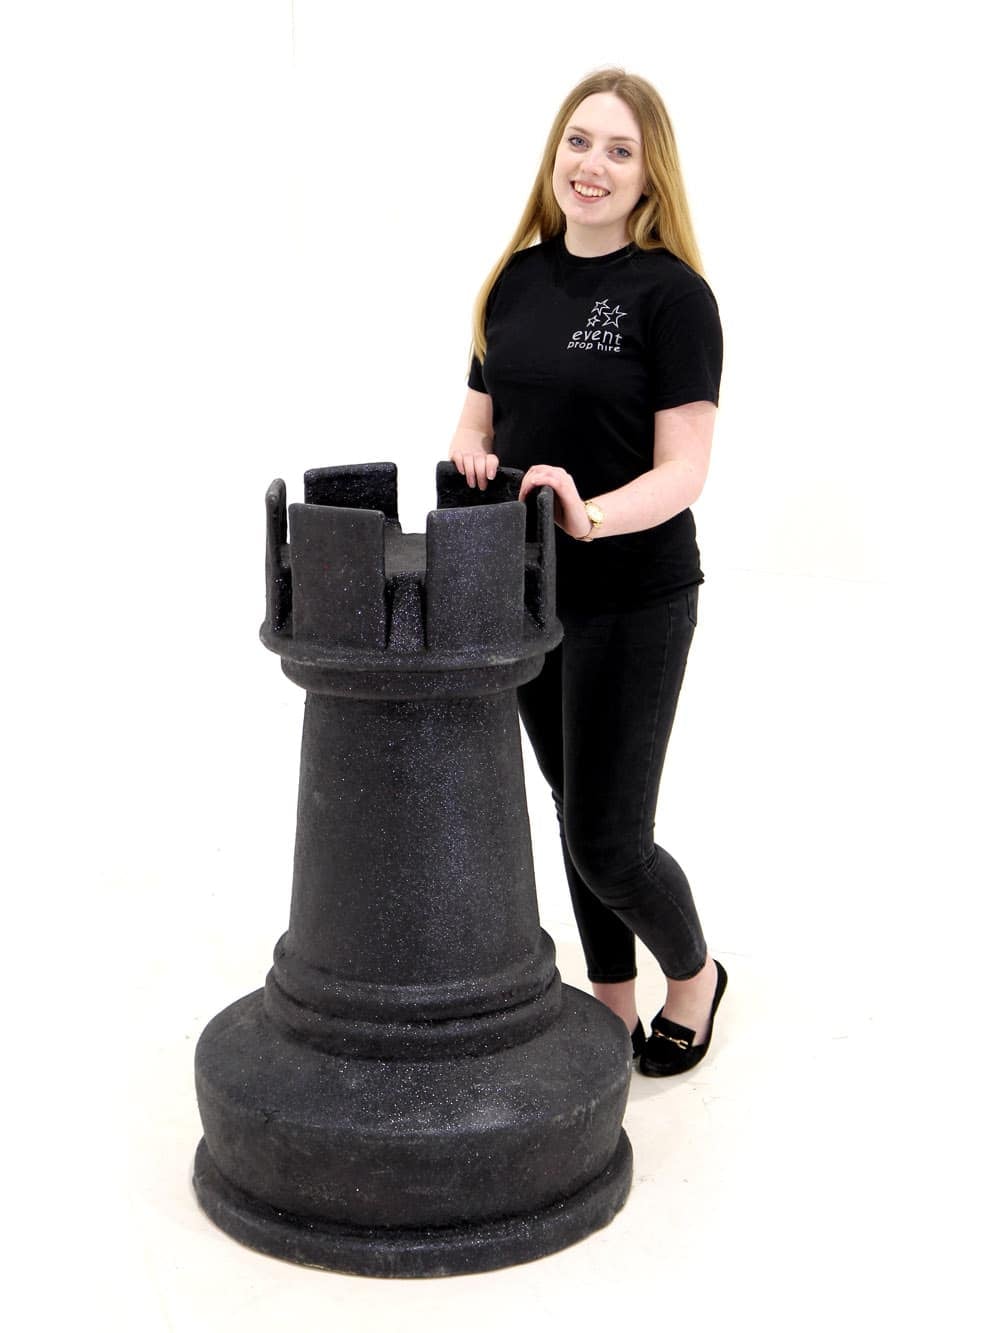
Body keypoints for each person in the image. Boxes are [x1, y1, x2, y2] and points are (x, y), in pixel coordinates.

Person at [448, 68, 726, 1077]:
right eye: (578, 141)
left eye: (618, 149)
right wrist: (472, 455)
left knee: (612, 839)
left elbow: (685, 470)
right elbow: (477, 422)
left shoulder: (673, 297)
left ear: (650, 174)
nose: (592, 165)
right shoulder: (513, 282)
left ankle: (692, 976)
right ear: (554, 155)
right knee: (575, 816)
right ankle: (611, 999)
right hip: (533, 596)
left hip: (637, 595)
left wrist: (591, 513)